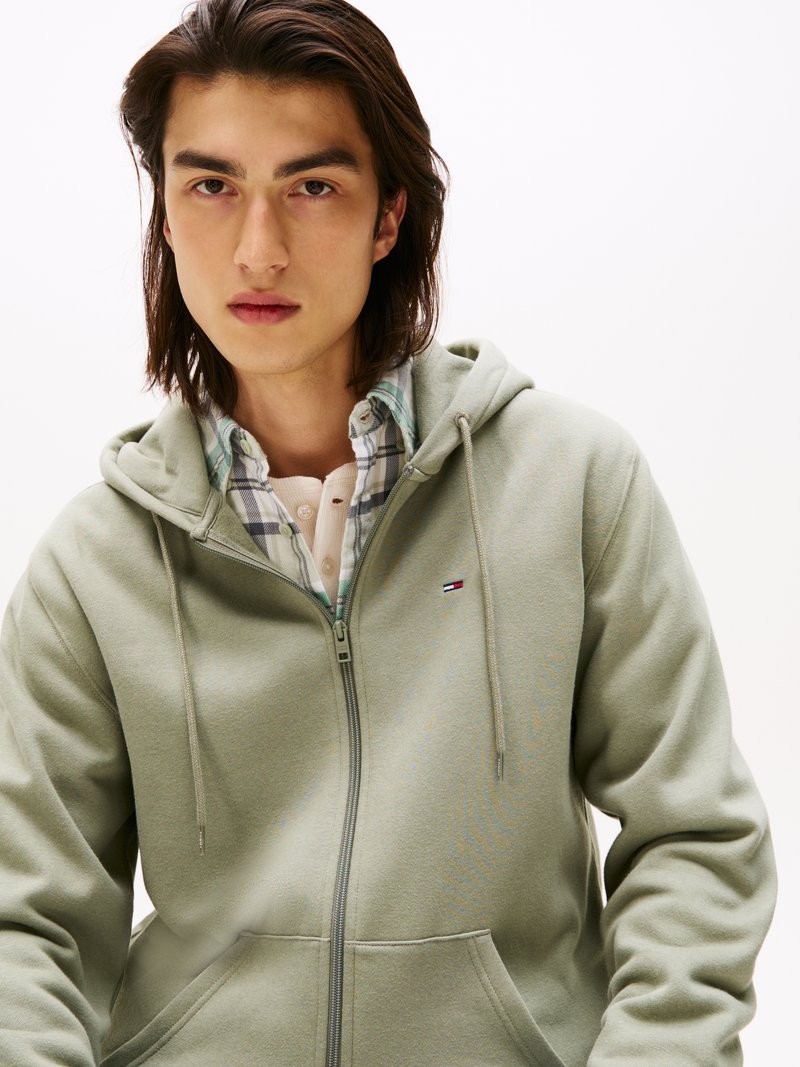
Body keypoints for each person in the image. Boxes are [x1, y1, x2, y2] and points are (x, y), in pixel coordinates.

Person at [0, 0, 776, 1064]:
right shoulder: (94, 566)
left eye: (311, 186)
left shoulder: (572, 485)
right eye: (211, 186)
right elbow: (25, 927)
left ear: (388, 216)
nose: (258, 249)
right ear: (166, 216)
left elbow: (693, 837)